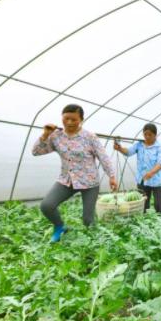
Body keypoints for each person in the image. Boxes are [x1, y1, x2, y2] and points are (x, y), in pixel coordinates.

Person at [32, 104, 117, 242]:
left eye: (74, 119)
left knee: (88, 220)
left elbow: (103, 157)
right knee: (47, 206)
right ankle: (60, 226)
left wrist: (112, 176)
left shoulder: (90, 137)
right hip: (67, 180)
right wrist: (45, 134)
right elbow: (36, 152)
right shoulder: (56, 136)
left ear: (81, 120)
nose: (69, 122)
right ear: (62, 118)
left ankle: (95, 244)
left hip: (89, 182)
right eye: (66, 119)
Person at [114, 123, 161, 213]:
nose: (147, 136)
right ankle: (144, 223)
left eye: (150, 134)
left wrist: (151, 173)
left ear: (155, 135)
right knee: (142, 205)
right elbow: (129, 152)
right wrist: (120, 148)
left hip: (157, 182)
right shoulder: (139, 145)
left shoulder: (160, 147)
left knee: (158, 205)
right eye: (145, 134)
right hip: (142, 180)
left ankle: (160, 222)